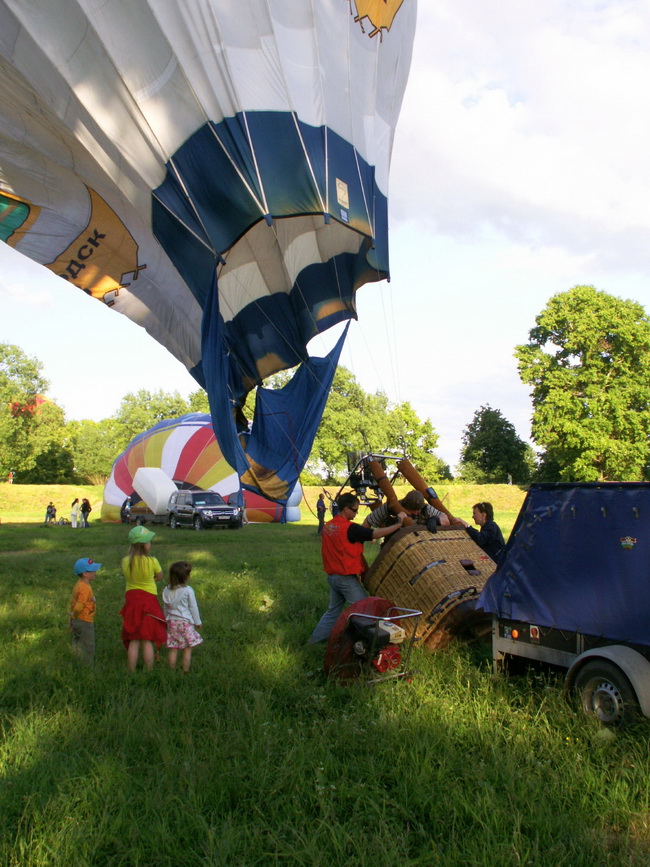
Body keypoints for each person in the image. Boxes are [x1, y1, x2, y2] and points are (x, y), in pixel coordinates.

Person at [308, 492, 407, 644]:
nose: (356, 513)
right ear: (346, 509)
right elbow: (374, 533)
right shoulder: (349, 528)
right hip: (345, 578)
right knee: (366, 610)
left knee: (333, 611)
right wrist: (398, 525)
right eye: (354, 510)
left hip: (333, 577)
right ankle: (366, 644)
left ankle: (314, 641)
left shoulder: (329, 526)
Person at [119, 526, 167, 671]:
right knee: (147, 639)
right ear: (145, 545)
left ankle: (131, 670)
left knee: (134, 638)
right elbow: (160, 576)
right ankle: (149, 670)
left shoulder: (126, 561)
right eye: (149, 541)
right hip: (149, 601)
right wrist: (154, 578)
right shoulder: (152, 561)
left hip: (132, 600)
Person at [162, 561, 203, 673]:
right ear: (186, 577)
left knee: (173, 649)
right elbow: (193, 607)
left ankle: (171, 671)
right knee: (187, 648)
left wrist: (165, 620)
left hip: (171, 622)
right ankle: (185, 671)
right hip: (185, 623)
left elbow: (166, 607)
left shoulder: (166, 590)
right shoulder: (188, 590)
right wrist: (198, 622)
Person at [363, 490, 450, 533]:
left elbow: (446, 520)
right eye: (413, 510)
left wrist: (435, 519)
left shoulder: (426, 509)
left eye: (418, 510)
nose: (416, 513)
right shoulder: (389, 509)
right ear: (405, 505)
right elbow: (368, 521)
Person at [68, 557, 102, 663]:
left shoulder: (79, 584)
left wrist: (72, 618)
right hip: (84, 620)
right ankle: (86, 665)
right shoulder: (85, 588)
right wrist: (74, 615)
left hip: (77, 620)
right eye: (92, 570)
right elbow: (79, 605)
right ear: (85, 574)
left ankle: (75, 657)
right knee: (88, 644)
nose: (95, 571)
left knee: (77, 639)